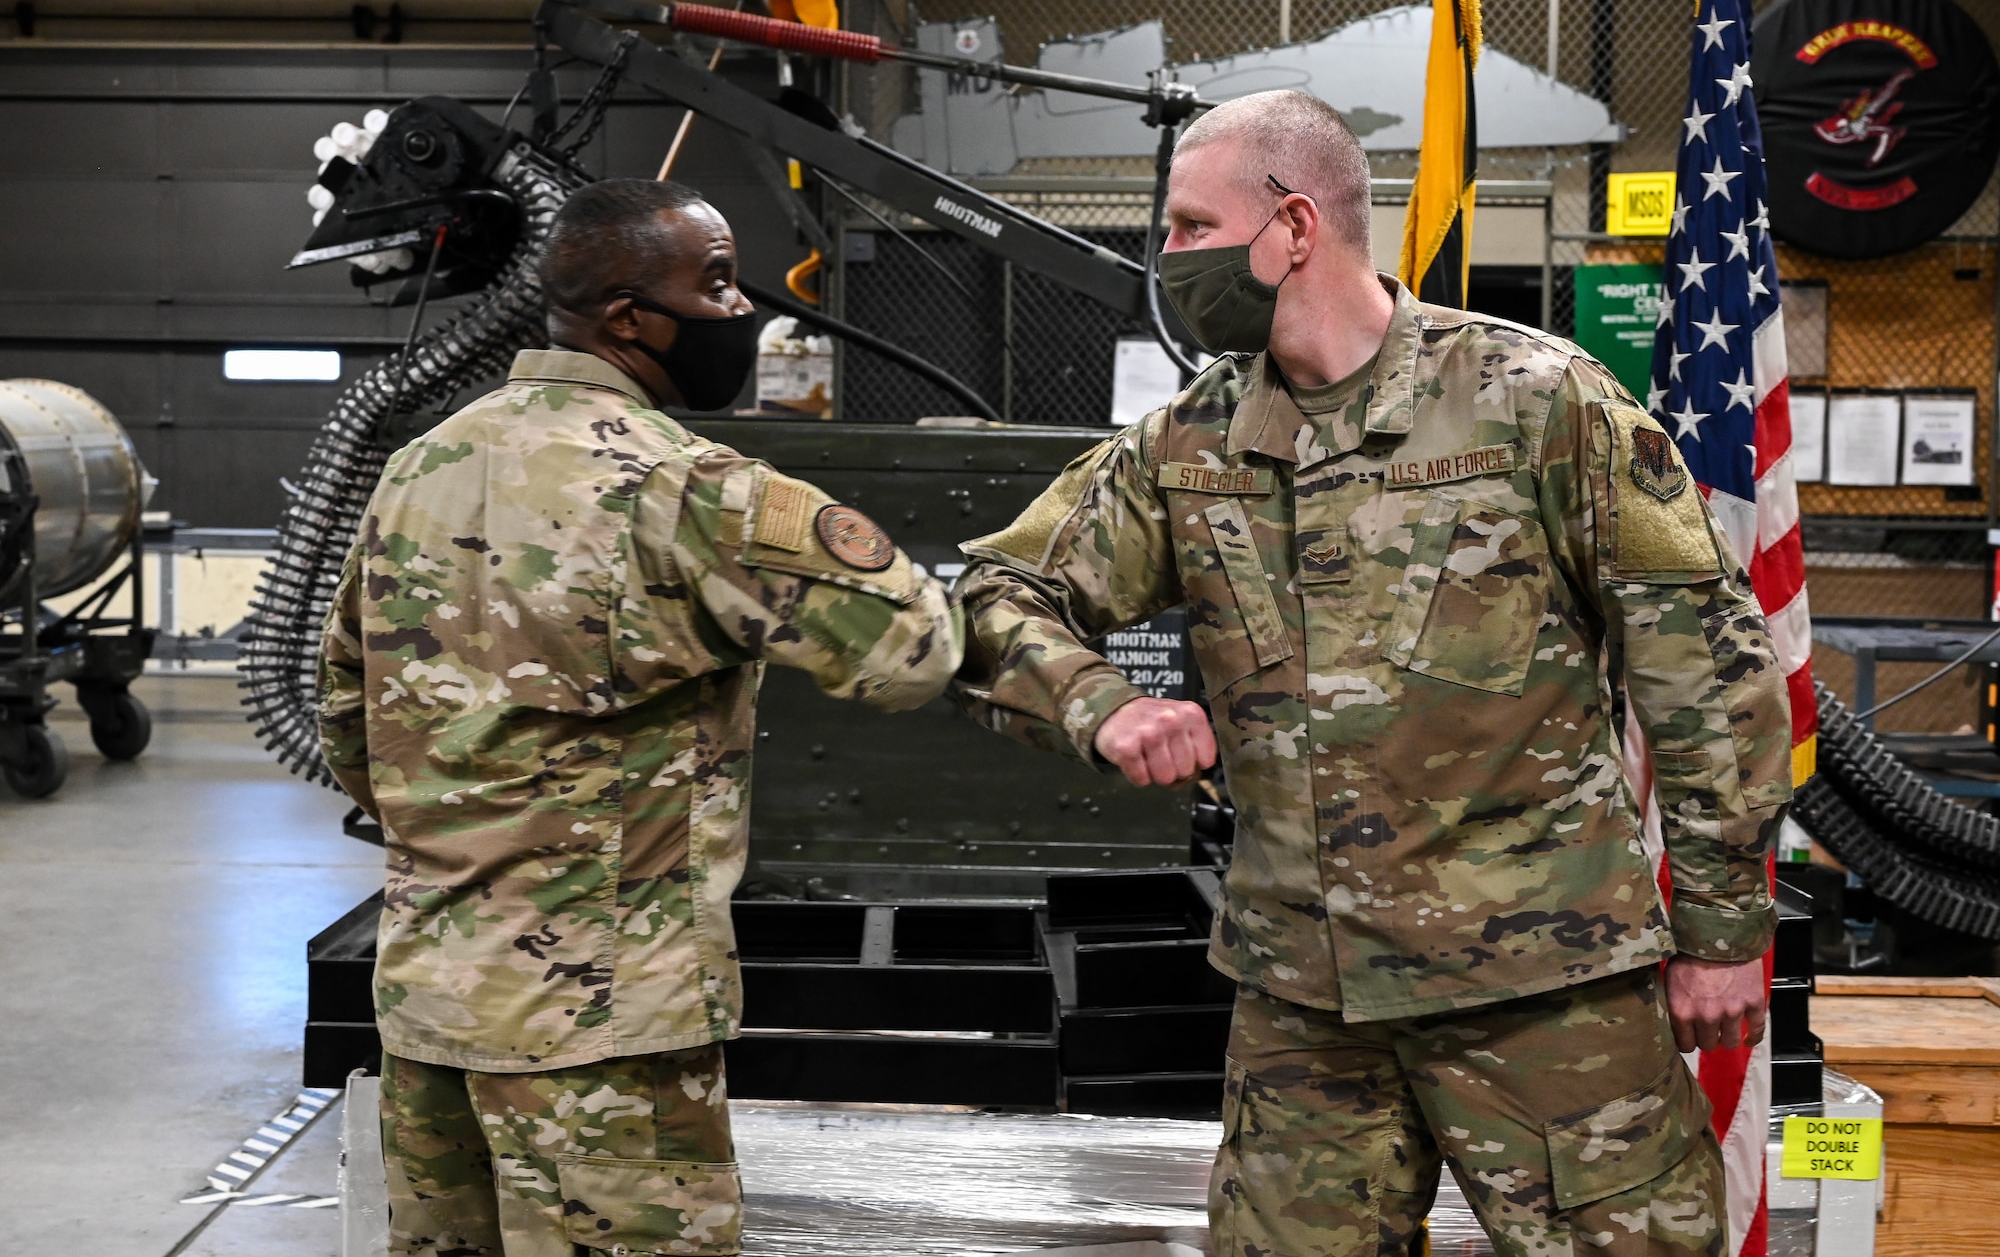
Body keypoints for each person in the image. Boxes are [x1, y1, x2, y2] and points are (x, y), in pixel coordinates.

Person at [951, 90, 1790, 1256]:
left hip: (1542, 992)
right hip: (1305, 1005)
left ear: (1292, 226)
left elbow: (1703, 665)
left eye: (1190, 226)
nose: (1168, 258)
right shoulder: (1187, 444)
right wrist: (1100, 706)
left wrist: (1718, 927)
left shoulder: (1533, 400)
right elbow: (993, 596)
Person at [318, 178, 962, 1257]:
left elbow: (348, 711)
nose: (738, 307)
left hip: (430, 1010)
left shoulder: (416, 468)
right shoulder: (684, 487)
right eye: (712, 282)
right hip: (603, 1030)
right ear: (626, 316)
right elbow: (911, 649)